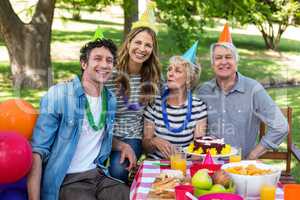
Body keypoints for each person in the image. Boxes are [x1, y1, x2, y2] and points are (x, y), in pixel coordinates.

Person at [27, 38, 130, 200]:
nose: (104, 64)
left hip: (99, 175)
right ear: (84, 64)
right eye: (97, 59)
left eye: (109, 61)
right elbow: (38, 152)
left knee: (133, 195)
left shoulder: (110, 100)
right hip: (67, 180)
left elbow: (93, 133)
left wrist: (122, 145)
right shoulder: (60, 95)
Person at [197, 23, 288, 159]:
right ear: (212, 64)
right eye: (218, 58)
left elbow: (281, 126)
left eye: (228, 57)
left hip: (240, 167)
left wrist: (252, 156)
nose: (223, 62)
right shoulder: (204, 90)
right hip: (209, 165)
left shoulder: (253, 89)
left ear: (236, 61)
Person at [106, 1, 162, 184]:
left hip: (132, 136)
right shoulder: (110, 74)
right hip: (105, 134)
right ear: (128, 43)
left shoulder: (152, 78)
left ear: (153, 50)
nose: (142, 49)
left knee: (118, 170)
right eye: (138, 42)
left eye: (148, 45)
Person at [142, 41, 207, 159]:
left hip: (183, 167)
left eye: (177, 71)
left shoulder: (199, 108)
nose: (170, 74)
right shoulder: (154, 104)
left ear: (189, 79)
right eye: (169, 69)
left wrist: (183, 169)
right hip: (156, 165)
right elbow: (145, 147)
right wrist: (154, 141)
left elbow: (198, 150)